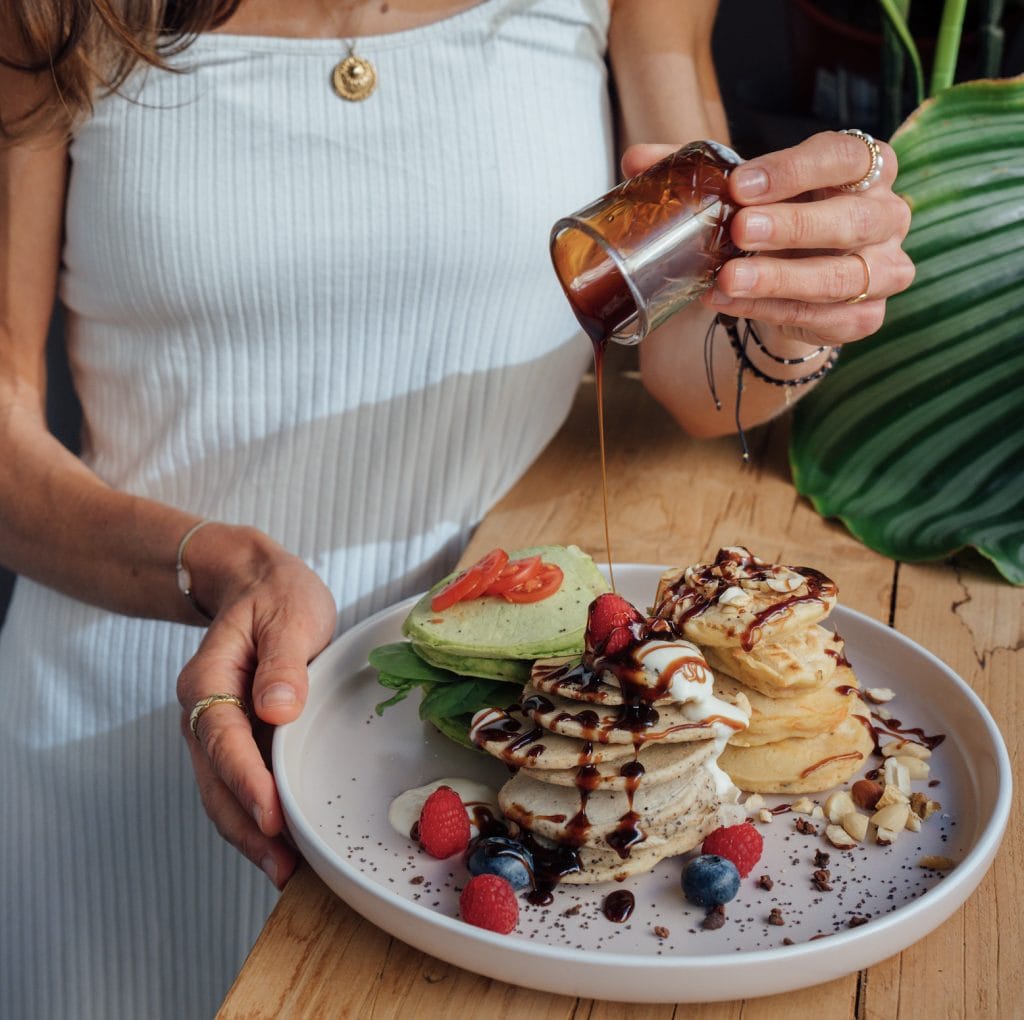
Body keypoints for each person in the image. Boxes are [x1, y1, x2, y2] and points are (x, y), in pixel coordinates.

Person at [0, 0, 913, 1016]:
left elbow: (697, 376)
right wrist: (216, 564)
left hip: (509, 756)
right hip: (131, 725)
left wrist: (794, 300)